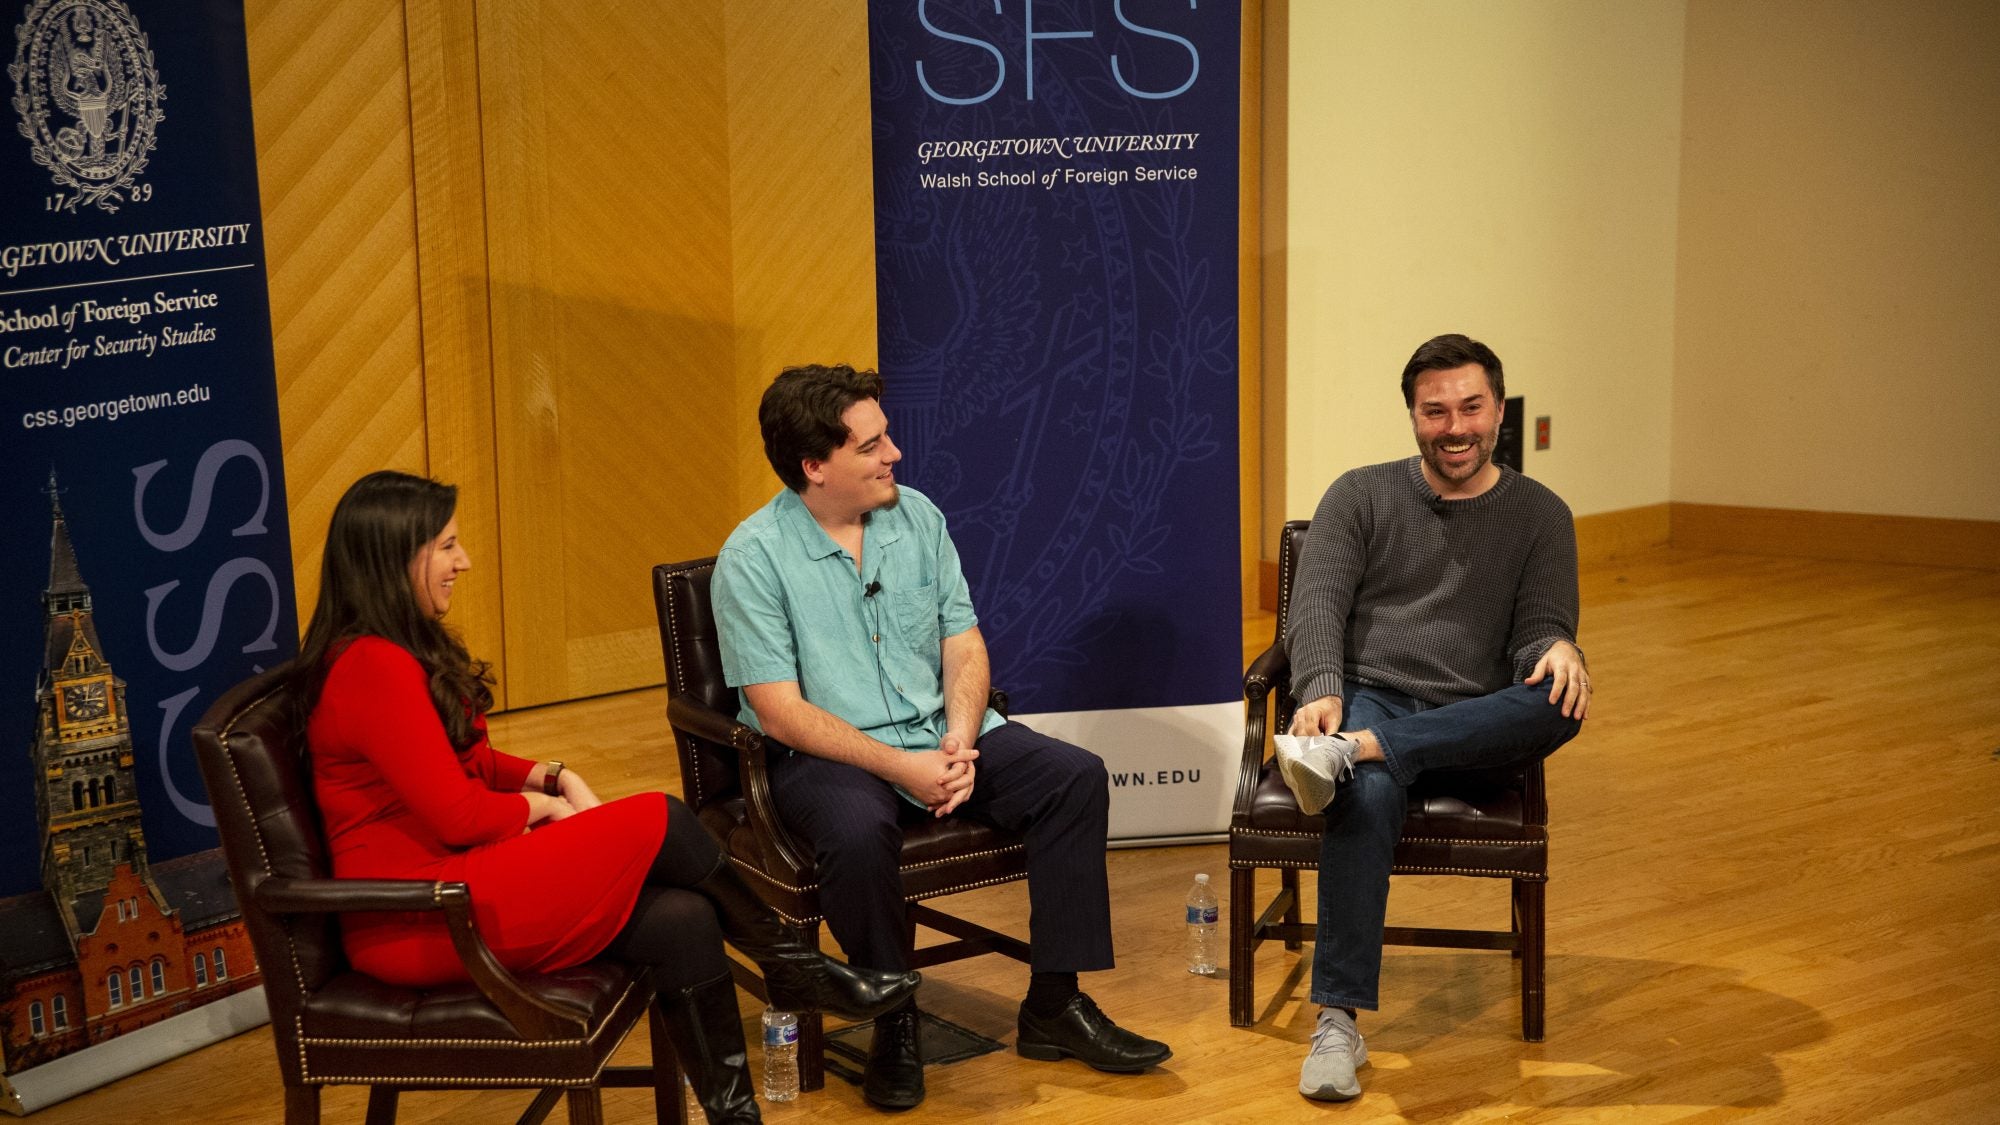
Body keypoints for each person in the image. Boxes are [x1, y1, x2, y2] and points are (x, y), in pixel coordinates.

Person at [294, 470, 921, 1124]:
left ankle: (739, 1112)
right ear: (399, 557)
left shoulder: (390, 649)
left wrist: (549, 774)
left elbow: (466, 761)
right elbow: (457, 813)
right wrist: (550, 810)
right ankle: (792, 966)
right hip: (420, 911)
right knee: (658, 815)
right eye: (447, 546)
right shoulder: (372, 664)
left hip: (448, 891)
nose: (464, 561)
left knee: (684, 919)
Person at [711, 364, 1172, 1110]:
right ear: (815, 466)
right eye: (873, 443)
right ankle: (892, 1017)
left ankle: (1054, 1002)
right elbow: (780, 711)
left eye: (886, 434)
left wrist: (957, 743)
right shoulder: (753, 558)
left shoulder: (917, 516)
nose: (894, 452)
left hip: (940, 733)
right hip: (829, 751)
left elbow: (964, 641)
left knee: (1074, 776)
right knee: (859, 828)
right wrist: (903, 765)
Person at [1277, 334, 1589, 1102]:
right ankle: (1338, 1021)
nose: (1456, 427)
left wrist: (1558, 647)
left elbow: (1538, 627)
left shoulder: (1541, 514)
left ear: (1498, 410)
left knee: (1560, 695)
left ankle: (1364, 748)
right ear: (1413, 415)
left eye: (1471, 407)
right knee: (1368, 790)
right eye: (1435, 410)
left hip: (1476, 715)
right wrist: (1320, 683)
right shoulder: (1360, 493)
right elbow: (1315, 601)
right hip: (1373, 693)